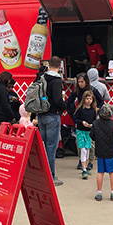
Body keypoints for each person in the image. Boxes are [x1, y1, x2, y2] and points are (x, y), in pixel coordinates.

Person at [67, 72, 103, 170]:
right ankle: (81, 161)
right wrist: (73, 113)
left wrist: (97, 109)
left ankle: (90, 161)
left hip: (91, 118)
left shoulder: (93, 90)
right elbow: (69, 102)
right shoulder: (77, 91)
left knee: (91, 143)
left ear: (86, 81)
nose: (80, 84)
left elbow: (101, 101)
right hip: (81, 117)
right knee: (80, 144)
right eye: (78, 82)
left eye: (82, 82)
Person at [38, 56, 65, 186]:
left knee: (42, 146)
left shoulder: (42, 77)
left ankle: (41, 174)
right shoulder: (56, 80)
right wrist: (64, 107)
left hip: (41, 115)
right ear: (60, 66)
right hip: (52, 115)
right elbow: (57, 99)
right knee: (51, 147)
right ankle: (50, 176)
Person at [91, 104, 113, 201]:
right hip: (111, 151)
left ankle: (99, 192)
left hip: (100, 151)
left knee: (100, 172)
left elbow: (92, 136)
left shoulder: (95, 123)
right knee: (112, 172)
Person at [73, 90, 98, 180]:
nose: (88, 100)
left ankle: (86, 167)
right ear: (84, 99)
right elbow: (75, 118)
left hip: (89, 132)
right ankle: (84, 169)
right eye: (87, 98)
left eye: (90, 99)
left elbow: (95, 120)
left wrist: (92, 125)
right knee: (83, 150)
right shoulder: (80, 109)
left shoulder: (93, 110)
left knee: (87, 150)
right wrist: (82, 122)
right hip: (80, 131)